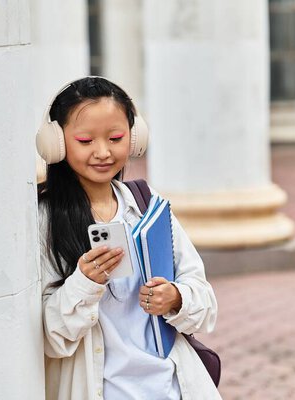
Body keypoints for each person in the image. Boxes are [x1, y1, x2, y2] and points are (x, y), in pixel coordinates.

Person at [36, 76, 220, 400]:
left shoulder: (148, 207)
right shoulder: (45, 221)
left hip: (172, 387)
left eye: (115, 137)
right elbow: (51, 338)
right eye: (85, 140)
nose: (103, 152)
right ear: (57, 142)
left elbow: (205, 304)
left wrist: (176, 298)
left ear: (134, 137)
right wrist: (85, 283)